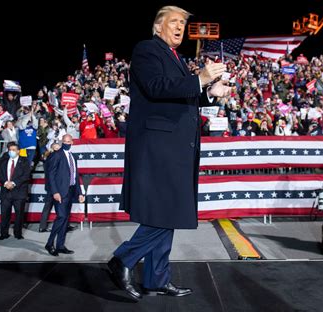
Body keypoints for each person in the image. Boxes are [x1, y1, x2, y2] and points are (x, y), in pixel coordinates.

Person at [107, 5, 230, 301]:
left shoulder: (176, 57)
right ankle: (122, 259)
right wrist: (200, 79)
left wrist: (208, 93)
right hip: (158, 145)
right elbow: (157, 87)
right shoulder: (147, 49)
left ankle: (155, 279)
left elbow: (176, 96)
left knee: (169, 210)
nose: (180, 28)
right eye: (174, 22)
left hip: (174, 147)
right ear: (158, 26)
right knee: (165, 210)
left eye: (183, 24)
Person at [45, 134, 85, 256]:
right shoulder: (56, 155)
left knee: (65, 219)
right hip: (60, 192)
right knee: (61, 217)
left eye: (69, 141)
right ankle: (49, 243)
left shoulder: (73, 157)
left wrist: (80, 193)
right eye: (64, 141)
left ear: (72, 142)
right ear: (62, 142)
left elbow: (75, 176)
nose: (66, 143)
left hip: (71, 191)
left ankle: (60, 245)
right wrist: (55, 192)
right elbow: (50, 175)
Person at [0, 142, 31, 240]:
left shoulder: (24, 161)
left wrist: (13, 183)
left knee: (19, 214)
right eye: (10, 150)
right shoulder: (4, 161)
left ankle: (18, 233)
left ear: (18, 151)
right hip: (5, 191)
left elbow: (26, 175)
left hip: (19, 192)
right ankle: (4, 233)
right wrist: (5, 182)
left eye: (14, 150)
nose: (12, 152)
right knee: (4, 213)